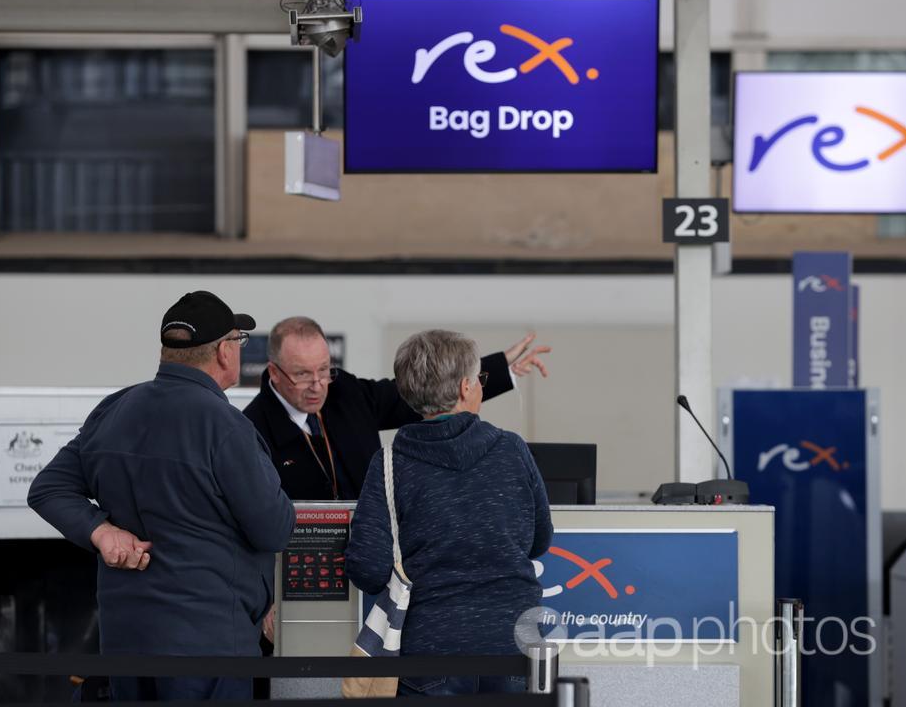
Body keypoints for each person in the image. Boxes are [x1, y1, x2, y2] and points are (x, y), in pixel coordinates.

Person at [27, 290, 296, 702]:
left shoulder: (113, 410)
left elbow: (48, 488)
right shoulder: (226, 426)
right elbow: (274, 530)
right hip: (209, 643)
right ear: (224, 352)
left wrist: (101, 532)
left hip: (123, 639)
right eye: (238, 341)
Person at [344, 329, 554, 697]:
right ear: (463, 388)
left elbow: (368, 568)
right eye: (478, 379)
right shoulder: (511, 450)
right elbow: (539, 540)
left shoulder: (390, 463)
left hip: (430, 650)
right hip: (513, 642)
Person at [243, 316, 550, 500]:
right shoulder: (250, 429)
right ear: (274, 372)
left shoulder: (345, 391)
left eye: (324, 369)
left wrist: (497, 369)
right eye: (302, 374)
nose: (317, 384)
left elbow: (420, 391)